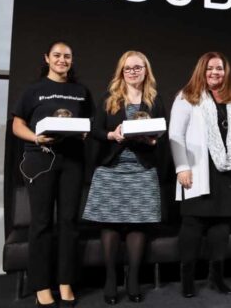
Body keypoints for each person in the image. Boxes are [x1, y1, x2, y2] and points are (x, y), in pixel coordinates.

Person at [12, 41, 94, 307]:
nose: (62, 60)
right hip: (40, 160)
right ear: (47, 58)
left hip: (72, 160)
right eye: (57, 55)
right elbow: (17, 125)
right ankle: (41, 285)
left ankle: (65, 281)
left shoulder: (80, 91)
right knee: (42, 223)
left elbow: (89, 123)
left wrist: (84, 131)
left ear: (72, 60)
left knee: (69, 222)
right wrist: (36, 139)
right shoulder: (34, 90)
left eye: (67, 56)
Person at [82, 51, 165, 304]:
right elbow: (95, 130)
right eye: (128, 68)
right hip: (111, 170)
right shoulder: (110, 99)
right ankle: (110, 278)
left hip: (142, 170)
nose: (133, 72)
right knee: (110, 224)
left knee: (139, 224)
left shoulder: (154, 100)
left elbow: (161, 131)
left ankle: (133, 279)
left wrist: (152, 139)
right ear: (121, 71)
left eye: (137, 68)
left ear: (145, 70)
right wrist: (112, 135)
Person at [169, 51, 231, 298]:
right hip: (198, 171)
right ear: (202, 70)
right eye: (210, 68)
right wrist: (182, 167)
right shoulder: (187, 97)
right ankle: (188, 279)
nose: (215, 72)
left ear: (226, 72)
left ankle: (217, 278)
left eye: (220, 68)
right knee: (192, 226)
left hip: (226, 172)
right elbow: (175, 135)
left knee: (221, 229)